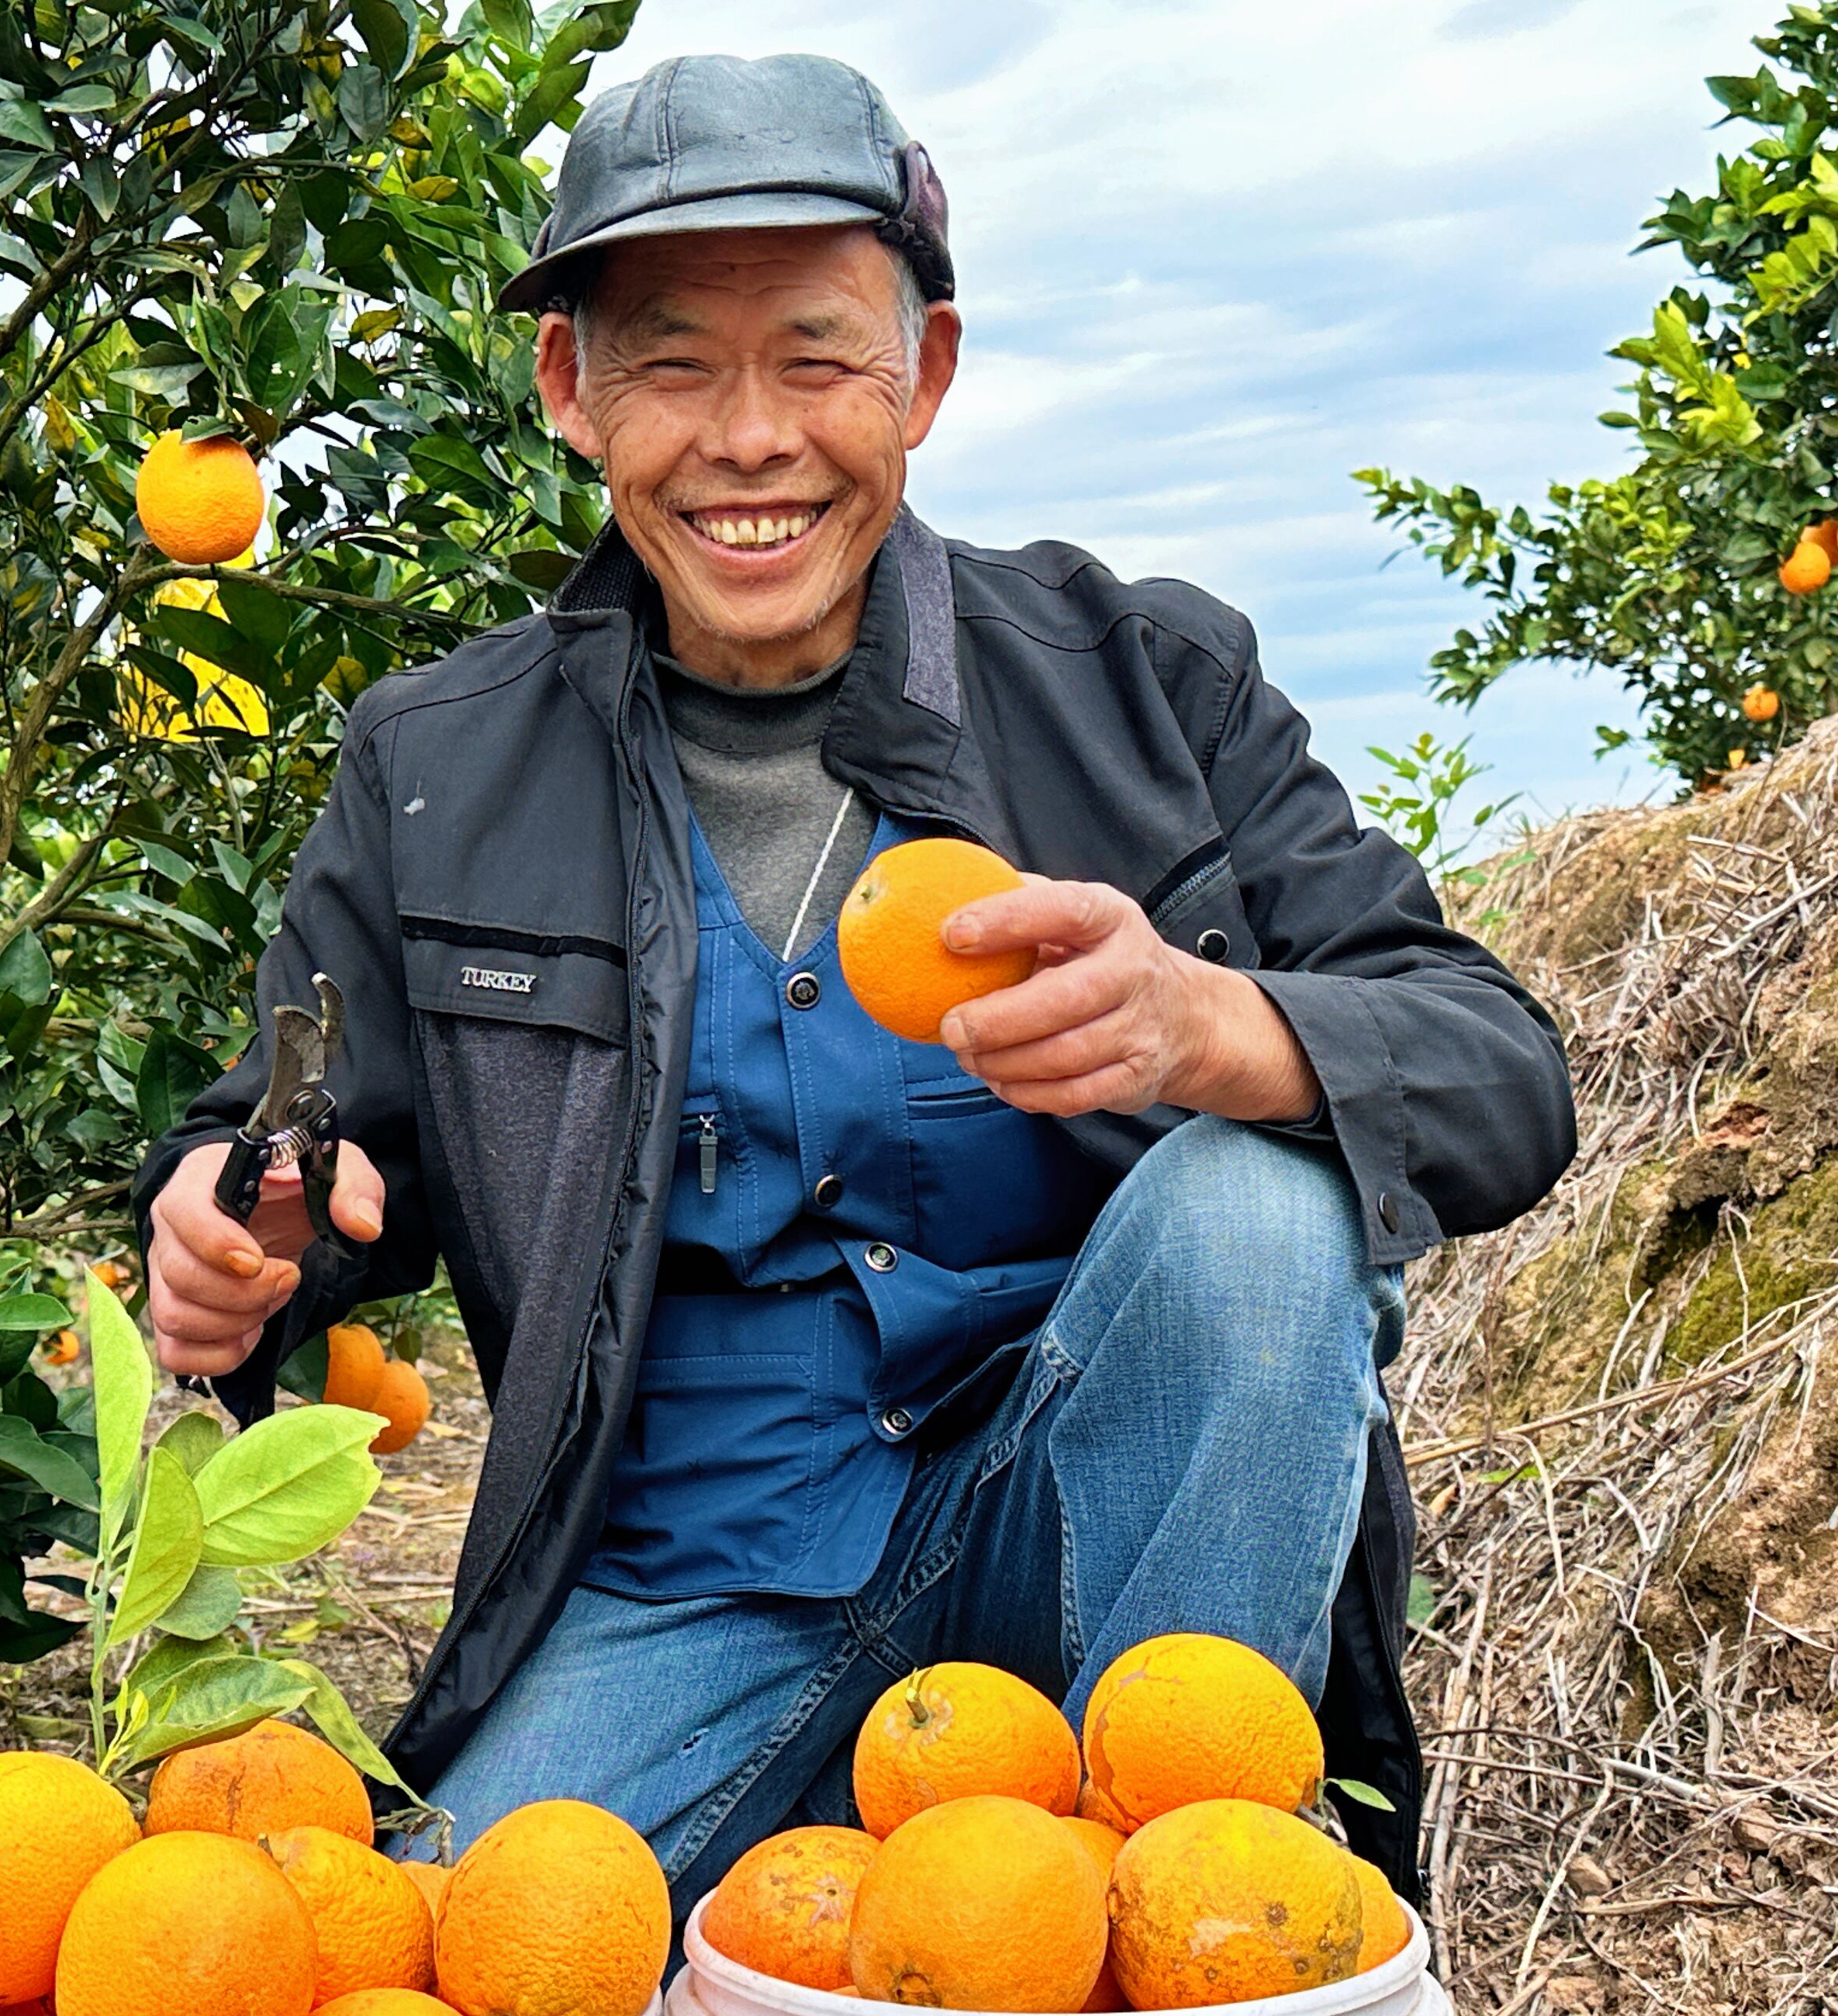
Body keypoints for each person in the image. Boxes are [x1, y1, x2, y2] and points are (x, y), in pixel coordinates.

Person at [133, 53, 1575, 1912]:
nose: (751, 439)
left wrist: (1221, 1031)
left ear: (928, 380)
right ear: (573, 392)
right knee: (463, 1976)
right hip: (686, 1573)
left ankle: (1174, 1890)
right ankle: (856, 1858)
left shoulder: (1144, 684)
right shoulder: (441, 761)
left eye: (818, 357)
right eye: (672, 361)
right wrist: (240, 1231)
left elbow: (1503, 1075)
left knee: (1245, 1213)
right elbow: (316, 1151)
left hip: (1091, 1531)